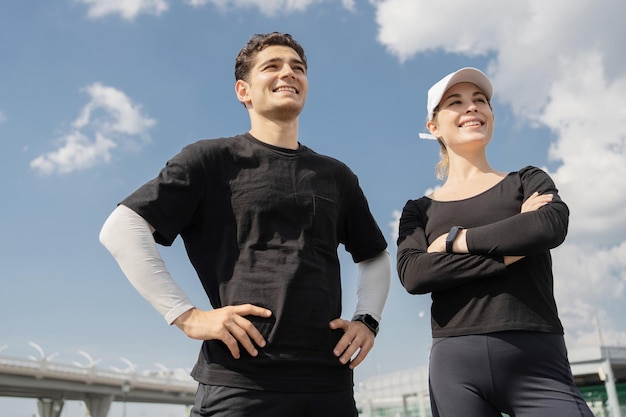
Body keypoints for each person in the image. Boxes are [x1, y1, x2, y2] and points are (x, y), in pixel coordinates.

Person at [99, 32, 391, 417]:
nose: (289, 73)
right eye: (272, 66)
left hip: (329, 385)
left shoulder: (337, 175)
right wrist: (188, 317)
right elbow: (121, 228)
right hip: (239, 383)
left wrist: (367, 319)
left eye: (298, 68)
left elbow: (374, 256)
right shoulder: (210, 160)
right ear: (244, 90)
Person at [396, 67, 593, 417]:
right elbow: (415, 274)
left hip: (537, 360)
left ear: (490, 115)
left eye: (480, 101)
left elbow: (548, 227)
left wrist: (456, 241)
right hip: (455, 367)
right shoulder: (420, 211)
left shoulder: (527, 180)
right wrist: (511, 249)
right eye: (455, 102)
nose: (472, 108)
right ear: (434, 126)